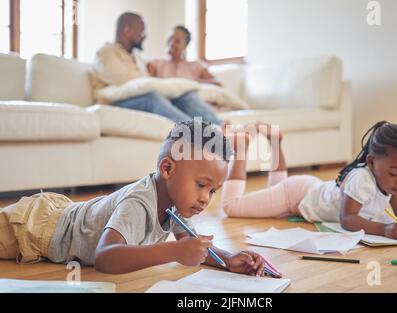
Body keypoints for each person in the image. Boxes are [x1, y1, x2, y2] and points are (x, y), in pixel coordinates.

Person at [0, 121, 265, 276]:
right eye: (201, 185)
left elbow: (191, 245)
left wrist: (229, 259)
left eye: (212, 191)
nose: (205, 198)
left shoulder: (178, 204)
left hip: (67, 215)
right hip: (36, 228)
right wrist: (174, 252)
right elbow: (105, 257)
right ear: (167, 169)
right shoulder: (139, 203)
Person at [220, 122, 397, 240]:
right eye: (395, 173)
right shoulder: (363, 180)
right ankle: (240, 147)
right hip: (296, 195)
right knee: (231, 207)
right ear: (372, 162)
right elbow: (348, 220)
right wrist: (384, 229)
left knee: (272, 192)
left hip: (308, 189)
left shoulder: (390, 182)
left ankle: (275, 142)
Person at [92, 13, 223, 125]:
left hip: (139, 97)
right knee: (152, 97)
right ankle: (199, 136)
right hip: (117, 102)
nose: (144, 36)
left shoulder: (137, 57)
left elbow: (145, 82)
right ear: (127, 31)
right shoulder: (106, 53)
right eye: (141, 31)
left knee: (183, 96)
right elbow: (125, 81)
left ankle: (221, 129)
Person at [147, 25, 222, 86]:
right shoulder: (156, 64)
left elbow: (218, 84)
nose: (171, 44)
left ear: (185, 46)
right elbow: (147, 84)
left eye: (177, 41)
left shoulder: (196, 66)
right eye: (170, 39)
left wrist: (194, 82)